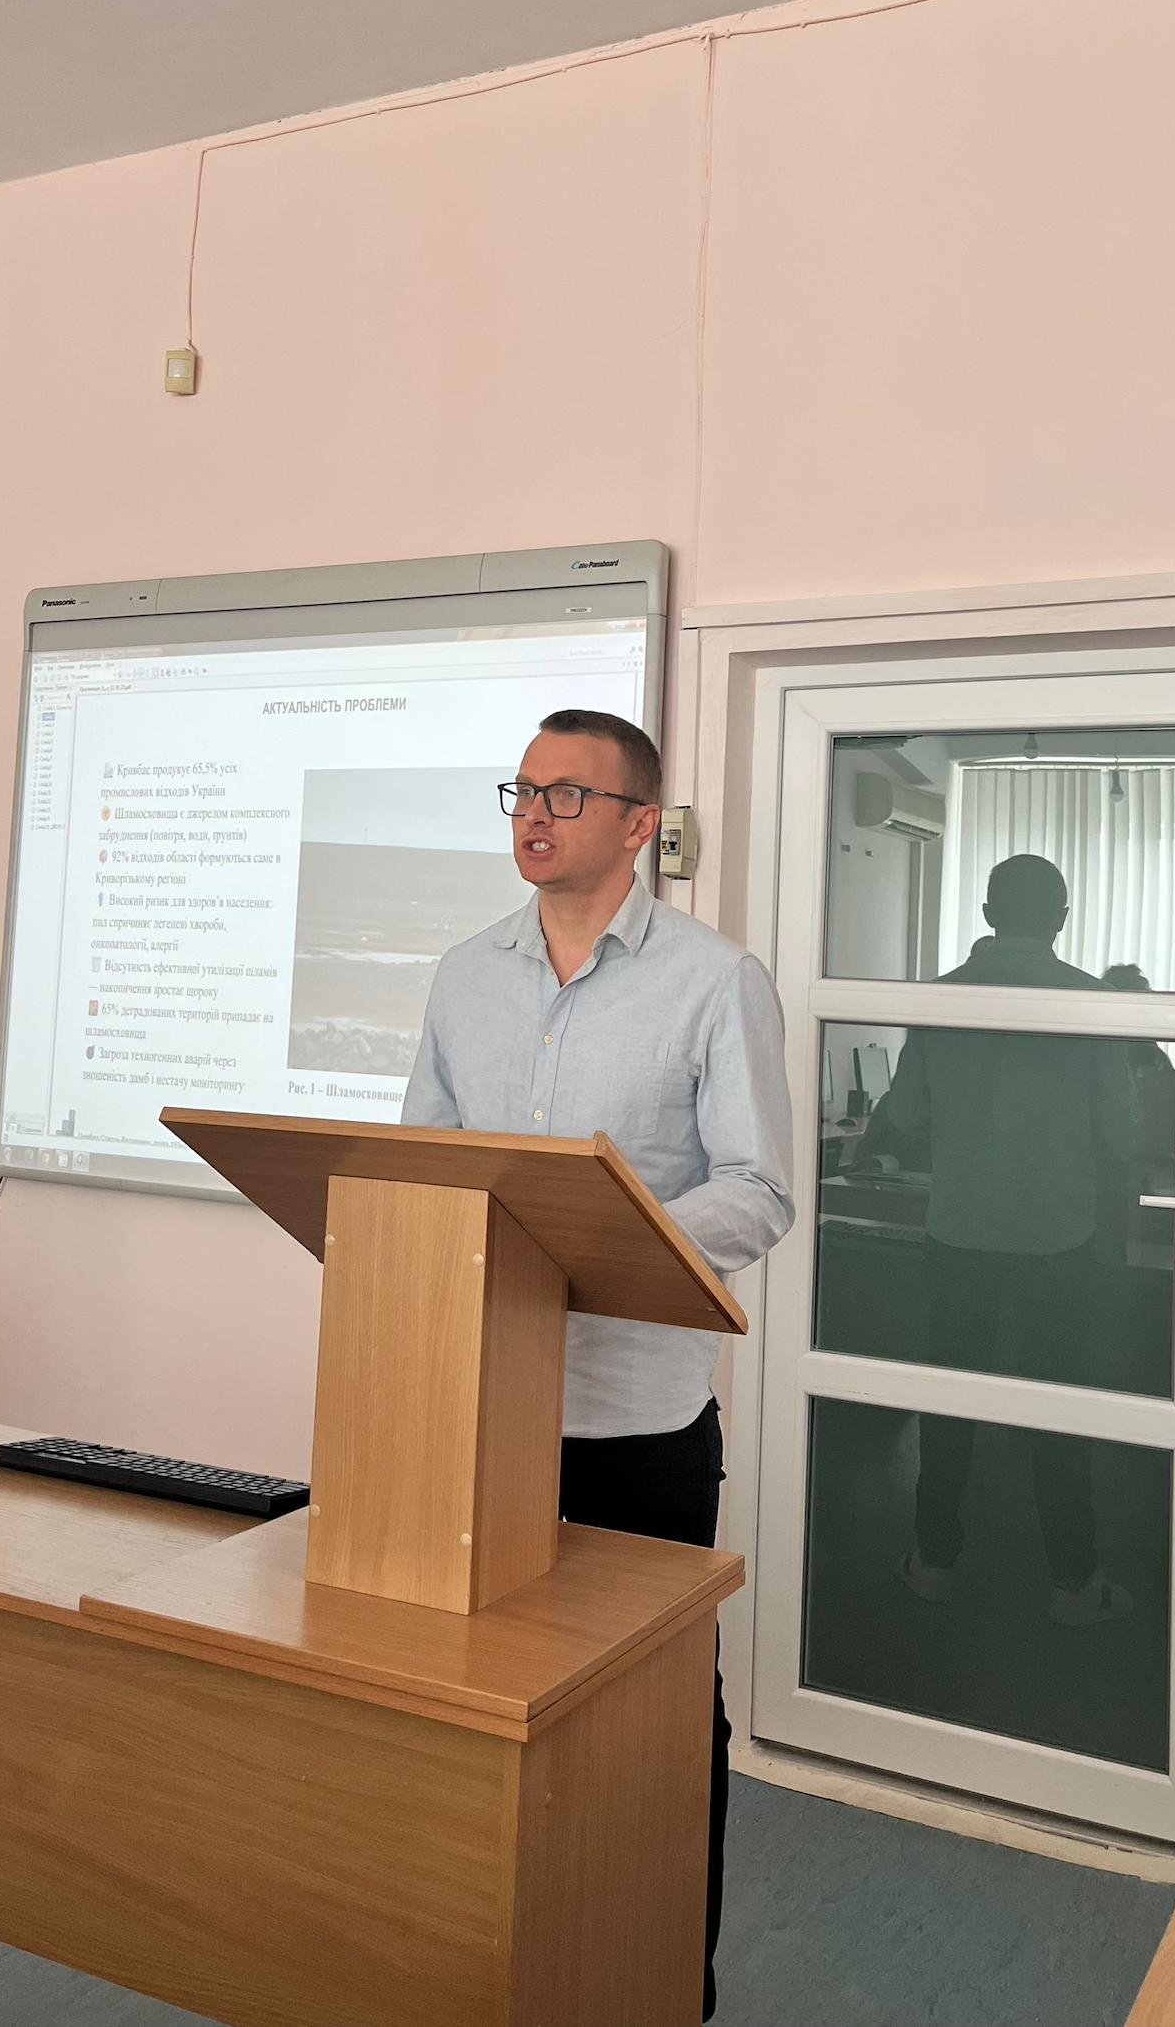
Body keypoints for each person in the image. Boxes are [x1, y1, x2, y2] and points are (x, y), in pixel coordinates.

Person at [404, 708, 793, 2022]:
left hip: (634, 1420)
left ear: (637, 826)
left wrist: (600, 1244)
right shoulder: (463, 974)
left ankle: (664, 1986)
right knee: (474, 1709)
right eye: (522, 788)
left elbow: (758, 1190)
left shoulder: (713, 979)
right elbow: (424, 1164)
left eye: (567, 794)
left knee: (653, 1720)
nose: (535, 812)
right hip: (477, 1405)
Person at [866, 852, 1137, 1626]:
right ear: (1061, 919)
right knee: (1059, 1408)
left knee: (949, 1401)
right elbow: (1118, 1134)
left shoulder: (943, 1000)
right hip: (1060, 1238)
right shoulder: (1095, 1003)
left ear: (987, 914)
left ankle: (934, 1561)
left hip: (961, 1234)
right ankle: (1074, 1580)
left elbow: (909, 1118)